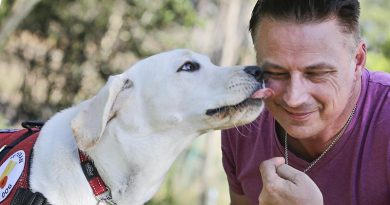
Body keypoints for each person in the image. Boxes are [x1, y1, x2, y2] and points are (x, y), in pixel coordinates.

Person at [221, 0, 390, 205]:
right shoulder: (245, 119)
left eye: (317, 73)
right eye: (276, 73)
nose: (294, 99)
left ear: (358, 60)